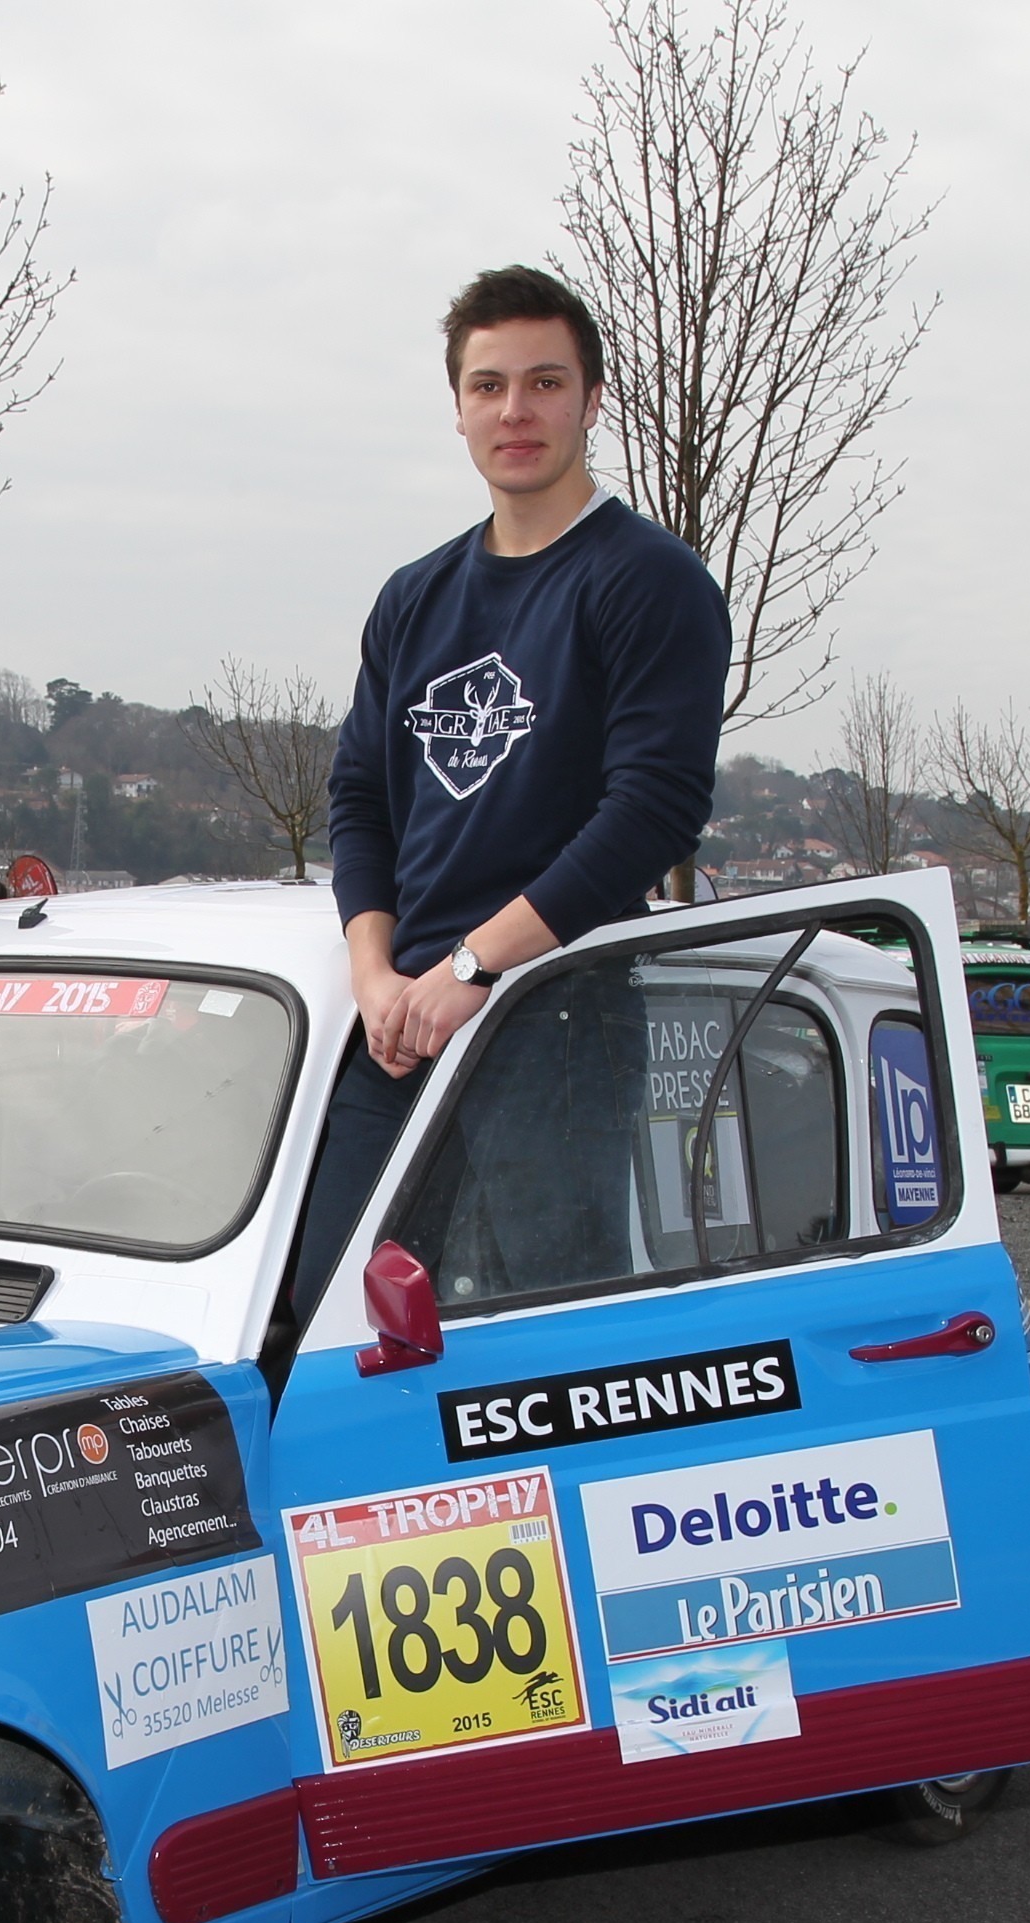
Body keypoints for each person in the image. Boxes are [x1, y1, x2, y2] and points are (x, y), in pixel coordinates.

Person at [292, 264, 732, 1312]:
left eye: (544, 382)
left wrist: (474, 968)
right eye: (489, 386)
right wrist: (377, 977)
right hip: (400, 1027)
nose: (516, 410)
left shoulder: (648, 580)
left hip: (556, 1021)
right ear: (458, 409)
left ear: (591, 399)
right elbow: (359, 798)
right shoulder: (414, 597)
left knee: (528, 1342)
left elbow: (652, 812)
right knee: (328, 1324)